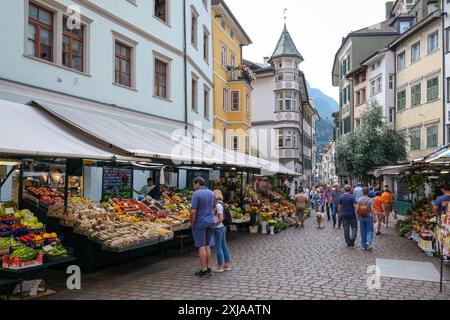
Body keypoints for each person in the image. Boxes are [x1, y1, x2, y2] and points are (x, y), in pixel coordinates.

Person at [190, 177, 216, 278]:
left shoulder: (196, 194)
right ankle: (208, 267)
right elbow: (214, 208)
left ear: (198, 183)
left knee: (201, 246)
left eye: (194, 184)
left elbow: (193, 211)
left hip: (200, 222)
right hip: (210, 222)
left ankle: (204, 269)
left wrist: (192, 223)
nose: (193, 187)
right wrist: (210, 218)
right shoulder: (212, 193)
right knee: (207, 245)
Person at [213, 190, 231, 273]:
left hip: (219, 228)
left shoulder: (218, 205)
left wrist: (214, 225)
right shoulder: (223, 204)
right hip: (224, 227)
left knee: (219, 246)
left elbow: (220, 218)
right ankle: (227, 265)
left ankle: (220, 266)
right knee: (224, 245)